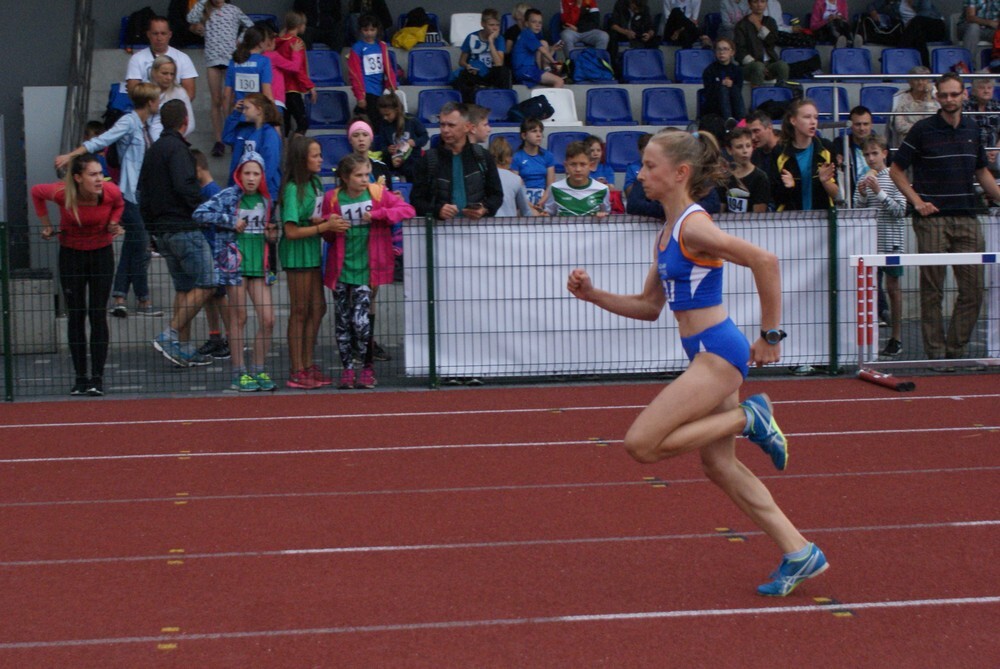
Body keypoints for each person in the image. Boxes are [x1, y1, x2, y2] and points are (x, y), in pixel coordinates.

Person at [567, 128, 828, 597]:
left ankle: (749, 417)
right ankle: (799, 550)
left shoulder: (693, 225)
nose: (640, 173)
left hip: (717, 352)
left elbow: (765, 260)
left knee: (642, 444)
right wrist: (593, 295)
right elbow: (650, 308)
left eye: (650, 166)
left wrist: (770, 335)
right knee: (720, 468)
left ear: (680, 173)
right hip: (704, 352)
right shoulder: (668, 232)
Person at [889, 72, 1000, 362]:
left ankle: (956, 350)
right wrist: (917, 202)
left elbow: (981, 172)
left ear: (964, 94)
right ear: (937, 97)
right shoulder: (922, 130)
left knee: (974, 289)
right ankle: (937, 355)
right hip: (932, 219)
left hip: (967, 215)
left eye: (954, 94)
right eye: (944, 95)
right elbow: (896, 170)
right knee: (932, 290)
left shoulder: (973, 129)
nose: (950, 100)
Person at [55, 83, 162, 319]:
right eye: (157, 100)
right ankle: (136, 298)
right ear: (150, 103)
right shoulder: (129, 121)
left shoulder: (144, 126)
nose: (158, 104)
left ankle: (123, 296)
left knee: (134, 244)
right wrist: (71, 155)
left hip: (139, 192)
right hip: (128, 193)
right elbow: (100, 141)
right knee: (140, 242)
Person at [32, 155, 124, 396]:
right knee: (76, 315)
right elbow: (36, 192)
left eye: (100, 174)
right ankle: (80, 377)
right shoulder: (63, 193)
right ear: (78, 178)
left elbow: (120, 204)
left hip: (101, 254)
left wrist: (114, 222)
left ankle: (97, 378)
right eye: (92, 175)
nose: (99, 179)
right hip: (72, 254)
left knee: (97, 313)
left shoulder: (109, 191)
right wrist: (46, 224)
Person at [322, 154, 416, 388]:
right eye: (359, 175)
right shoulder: (332, 198)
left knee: (361, 321)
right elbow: (326, 233)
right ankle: (347, 369)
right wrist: (330, 224)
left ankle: (366, 367)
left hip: (366, 268)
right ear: (345, 178)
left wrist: (377, 214)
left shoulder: (376, 194)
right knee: (343, 322)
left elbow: (407, 210)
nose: (365, 179)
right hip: (341, 268)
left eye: (367, 174)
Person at [192, 151, 279, 391]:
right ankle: (239, 373)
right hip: (235, 267)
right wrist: (230, 221)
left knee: (268, 319)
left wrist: (271, 236)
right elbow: (199, 214)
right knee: (239, 317)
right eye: (247, 173)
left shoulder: (266, 200)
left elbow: (266, 231)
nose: (251, 178)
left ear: (262, 176)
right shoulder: (229, 195)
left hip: (258, 267)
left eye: (256, 173)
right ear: (239, 174)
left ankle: (259, 370)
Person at [142, 100, 215, 368]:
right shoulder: (179, 150)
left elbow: (143, 194)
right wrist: (202, 209)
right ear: (185, 121)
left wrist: (151, 229)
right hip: (183, 227)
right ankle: (170, 334)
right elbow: (185, 186)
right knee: (207, 282)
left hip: (162, 231)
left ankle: (182, 348)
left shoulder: (153, 151)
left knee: (184, 288)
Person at [279, 136, 338, 389]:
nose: (320, 160)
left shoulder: (315, 183)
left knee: (318, 307)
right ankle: (297, 368)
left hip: (313, 252)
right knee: (300, 310)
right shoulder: (293, 188)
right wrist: (323, 226)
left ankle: (307, 362)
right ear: (302, 159)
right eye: (315, 156)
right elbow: (290, 231)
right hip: (297, 254)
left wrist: (324, 222)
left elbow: (315, 217)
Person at [853, 135, 907, 357]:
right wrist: (864, 194)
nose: (871, 158)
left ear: (884, 153)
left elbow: (900, 210)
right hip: (870, 244)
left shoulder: (894, 178)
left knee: (893, 289)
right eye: (867, 155)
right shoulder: (863, 180)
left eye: (875, 153)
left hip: (892, 242)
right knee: (870, 291)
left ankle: (897, 336)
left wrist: (879, 192)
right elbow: (857, 210)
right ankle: (871, 338)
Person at [411, 102, 504, 220]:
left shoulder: (483, 157)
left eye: (451, 125)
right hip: (440, 232)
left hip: (477, 230)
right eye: (442, 125)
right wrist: (437, 210)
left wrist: (484, 208)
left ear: (467, 127)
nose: (445, 130)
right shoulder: (428, 160)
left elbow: (497, 196)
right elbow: (416, 200)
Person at [187, 0, 254, 156]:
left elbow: (250, 25)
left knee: (229, 99)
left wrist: (240, 40)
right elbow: (190, 18)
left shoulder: (234, 10)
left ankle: (231, 134)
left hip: (230, 58)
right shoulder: (205, 10)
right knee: (216, 100)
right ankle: (219, 140)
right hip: (213, 59)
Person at [191, 149, 232, 362]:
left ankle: (230, 337)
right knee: (211, 295)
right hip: (207, 249)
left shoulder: (212, 191)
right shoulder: (205, 191)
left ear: (198, 169)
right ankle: (215, 335)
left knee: (220, 295)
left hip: (216, 250)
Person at [773, 99, 839, 211]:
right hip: (790, 220)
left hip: (821, 218)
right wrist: (788, 187)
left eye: (815, 117)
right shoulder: (779, 152)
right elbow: (775, 198)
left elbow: (837, 196)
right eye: (807, 117)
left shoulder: (826, 148)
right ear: (793, 120)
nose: (813, 122)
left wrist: (825, 181)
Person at [220, 26, 275, 155]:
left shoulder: (234, 62)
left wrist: (230, 117)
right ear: (260, 42)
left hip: (239, 117)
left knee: (239, 160)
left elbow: (226, 95)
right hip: (258, 119)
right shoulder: (264, 62)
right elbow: (267, 94)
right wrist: (274, 119)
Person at [125, 16, 198, 102]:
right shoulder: (137, 58)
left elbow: (190, 94)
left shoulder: (183, 58)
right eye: (155, 33)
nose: (159, 38)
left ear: (170, 35)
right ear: (148, 34)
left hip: (174, 110)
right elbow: (133, 91)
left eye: (163, 33)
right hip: (147, 109)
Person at [857, 0, 946, 67]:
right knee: (919, 38)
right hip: (913, 32)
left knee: (917, 21)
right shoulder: (896, 2)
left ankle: (893, 56)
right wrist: (873, 12)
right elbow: (871, 5)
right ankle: (926, 68)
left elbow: (926, 11)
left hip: (934, 27)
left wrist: (911, 21)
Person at [347, 14, 398, 130]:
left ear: (377, 30)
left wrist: (392, 85)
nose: (369, 33)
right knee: (374, 121)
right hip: (367, 90)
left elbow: (388, 68)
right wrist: (360, 96)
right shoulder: (357, 48)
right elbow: (354, 74)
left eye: (372, 30)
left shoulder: (382, 46)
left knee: (381, 119)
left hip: (380, 89)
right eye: (366, 30)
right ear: (360, 30)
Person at [229, 93, 284, 200]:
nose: (244, 112)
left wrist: (257, 189)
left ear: (259, 110)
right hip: (246, 190)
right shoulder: (247, 131)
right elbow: (227, 137)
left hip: (264, 192)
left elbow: (270, 165)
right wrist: (235, 113)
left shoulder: (270, 134)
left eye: (247, 108)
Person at [455, 9, 512, 104]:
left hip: (491, 73)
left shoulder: (499, 39)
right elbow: (461, 61)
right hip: (475, 72)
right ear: (483, 24)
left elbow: (499, 63)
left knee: (505, 72)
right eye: (491, 25)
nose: (495, 28)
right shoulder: (471, 37)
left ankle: (504, 102)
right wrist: (468, 66)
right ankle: (468, 106)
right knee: (463, 75)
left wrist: (491, 41)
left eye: (497, 25)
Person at [276, 11, 317, 137]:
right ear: (299, 25)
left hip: (281, 89)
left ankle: (286, 151)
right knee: (302, 123)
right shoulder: (296, 42)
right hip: (292, 88)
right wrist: (310, 86)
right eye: (304, 24)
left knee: (286, 126)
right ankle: (296, 151)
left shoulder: (279, 41)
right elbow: (298, 68)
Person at [543, 141, 611, 216]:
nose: (578, 169)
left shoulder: (602, 190)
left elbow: (606, 214)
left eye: (583, 164)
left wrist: (602, 216)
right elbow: (549, 214)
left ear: (591, 165)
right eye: (573, 164)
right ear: (566, 166)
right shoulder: (554, 188)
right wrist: (544, 215)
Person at [374, 92, 428, 183]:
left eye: (388, 114)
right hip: (393, 160)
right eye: (383, 115)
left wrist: (415, 142)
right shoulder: (384, 125)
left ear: (396, 110)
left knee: (413, 168)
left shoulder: (411, 120)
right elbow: (381, 146)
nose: (385, 118)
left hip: (412, 160)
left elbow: (425, 137)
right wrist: (388, 150)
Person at [735, 0, 789, 88]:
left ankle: (782, 94)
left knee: (782, 66)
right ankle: (756, 97)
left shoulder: (770, 21)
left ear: (766, 4)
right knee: (758, 67)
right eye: (755, 2)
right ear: (749, 4)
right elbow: (740, 51)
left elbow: (771, 41)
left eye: (762, 1)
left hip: (769, 63)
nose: (759, 5)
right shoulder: (742, 25)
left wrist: (758, 25)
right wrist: (757, 64)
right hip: (749, 65)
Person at [512, 8, 566, 88]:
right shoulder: (527, 34)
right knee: (559, 81)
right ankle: (550, 100)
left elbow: (543, 56)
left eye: (540, 22)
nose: (538, 25)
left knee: (543, 43)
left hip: (530, 69)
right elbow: (543, 51)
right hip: (524, 70)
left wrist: (553, 49)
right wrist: (555, 64)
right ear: (526, 24)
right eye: (534, 22)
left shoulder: (531, 35)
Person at [721, 126, 771, 213]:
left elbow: (759, 216)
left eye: (748, 146)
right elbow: (721, 209)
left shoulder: (760, 177)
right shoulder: (725, 177)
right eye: (739, 147)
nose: (745, 151)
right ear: (729, 150)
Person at [511, 117, 557, 211]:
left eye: (540, 131)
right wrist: (528, 205)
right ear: (524, 136)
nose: (539, 135)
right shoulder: (516, 157)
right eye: (534, 131)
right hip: (523, 202)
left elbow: (550, 185)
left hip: (544, 201)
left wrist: (542, 202)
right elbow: (516, 185)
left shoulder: (548, 156)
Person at [887, 66, 938, 149]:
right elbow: (899, 126)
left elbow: (931, 123)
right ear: (910, 82)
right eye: (916, 79)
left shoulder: (935, 99)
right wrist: (922, 128)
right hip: (905, 144)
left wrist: (928, 97)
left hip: (928, 144)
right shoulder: (901, 98)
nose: (920, 82)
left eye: (924, 79)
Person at [148, 55, 196, 142]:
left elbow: (190, 124)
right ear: (154, 72)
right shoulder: (146, 91)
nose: (169, 78)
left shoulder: (180, 93)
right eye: (164, 73)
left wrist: (172, 139)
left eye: (172, 74)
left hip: (171, 143)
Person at [963, 72, 1000, 176]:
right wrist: (981, 153)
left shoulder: (997, 106)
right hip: (971, 151)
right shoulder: (965, 107)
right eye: (982, 88)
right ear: (974, 90)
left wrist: (996, 150)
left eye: (989, 88)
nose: (986, 91)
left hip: (994, 153)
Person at [834, 106, 876, 197]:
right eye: (858, 124)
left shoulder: (880, 146)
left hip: (876, 199)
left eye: (865, 124)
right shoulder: (840, 145)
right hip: (851, 199)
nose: (862, 128)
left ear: (871, 124)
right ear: (850, 125)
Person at [703, 37, 746, 121]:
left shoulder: (737, 70)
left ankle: (741, 120)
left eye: (725, 49)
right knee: (723, 88)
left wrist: (731, 85)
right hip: (714, 106)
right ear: (715, 52)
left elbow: (738, 91)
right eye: (719, 49)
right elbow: (708, 92)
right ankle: (728, 120)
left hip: (733, 104)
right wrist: (721, 84)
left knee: (734, 88)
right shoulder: (709, 70)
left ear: (732, 52)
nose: (722, 52)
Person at [489, 137, 535, 216]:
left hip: (485, 225)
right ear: (508, 158)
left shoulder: (482, 176)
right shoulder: (516, 179)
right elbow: (526, 211)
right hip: (508, 225)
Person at [747, 110, 781, 193]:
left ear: (769, 127)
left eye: (756, 131)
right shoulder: (754, 153)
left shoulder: (787, 149)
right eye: (749, 133)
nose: (753, 137)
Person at [624, 133, 652, 198]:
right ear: (639, 151)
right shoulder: (632, 168)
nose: (647, 155)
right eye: (644, 152)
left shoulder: (661, 167)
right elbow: (628, 193)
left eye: (650, 152)